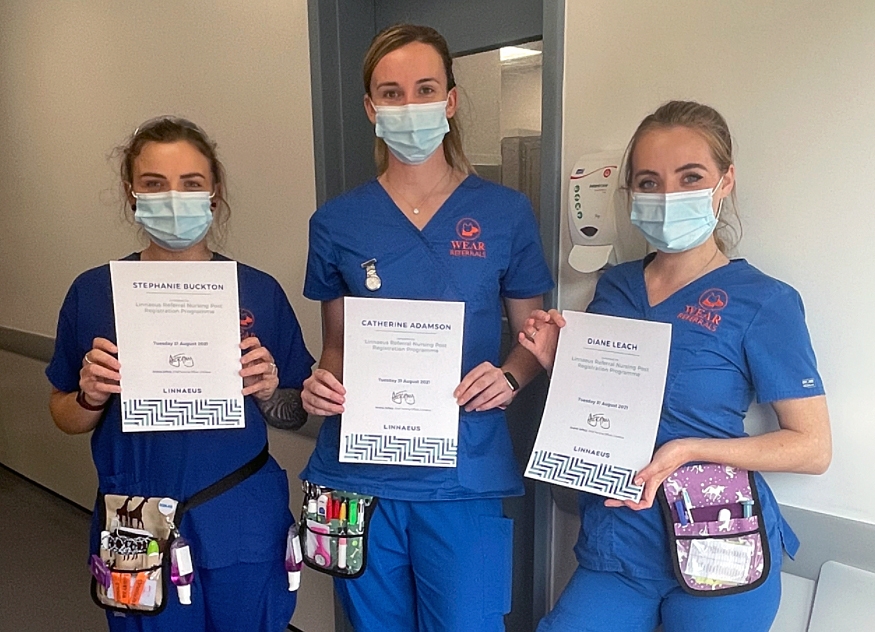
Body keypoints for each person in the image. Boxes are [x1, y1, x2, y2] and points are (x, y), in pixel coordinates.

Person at [521, 101, 831, 632]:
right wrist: (560, 367)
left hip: (720, 546)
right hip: (618, 544)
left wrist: (687, 451)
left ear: (725, 181)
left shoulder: (763, 302)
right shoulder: (614, 288)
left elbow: (812, 448)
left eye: (690, 177)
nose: (668, 196)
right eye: (649, 181)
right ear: (631, 194)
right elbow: (604, 411)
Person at [300, 24, 554, 632]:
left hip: (464, 473)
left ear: (451, 100)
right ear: (370, 108)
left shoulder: (505, 214)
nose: (408, 105)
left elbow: (534, 341)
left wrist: (513, 379)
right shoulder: (336, 222)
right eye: (391, 92)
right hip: (361, 471)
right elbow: (336, 346)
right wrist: (320, 383)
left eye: (424, 88)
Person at [46, 116, 314, 632]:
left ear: (214, 193)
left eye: (191, 184)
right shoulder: (94, 293)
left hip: (240, 513)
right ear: (131, 194)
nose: (174, 198)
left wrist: (266, 391)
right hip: (135, 519)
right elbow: (64, 415)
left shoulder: (257, 291)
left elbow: (294, 408)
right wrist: (89, 396)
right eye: (154, 184)